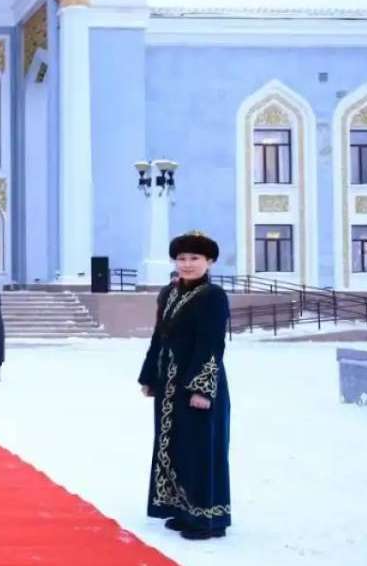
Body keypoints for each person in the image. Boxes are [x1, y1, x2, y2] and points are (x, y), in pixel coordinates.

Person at [138, 230, 231, 541]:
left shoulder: (212, 296)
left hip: (197, 383)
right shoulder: (170, 293)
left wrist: (202, 389)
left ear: (210, 262)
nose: (187, 264)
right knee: (175, 446)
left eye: (195, 258)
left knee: (200, 449)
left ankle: (207, 519)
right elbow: (158, 336)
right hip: (168, 385)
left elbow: (211, 344)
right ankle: (182, 509)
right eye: (182, 258)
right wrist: (150, 376)